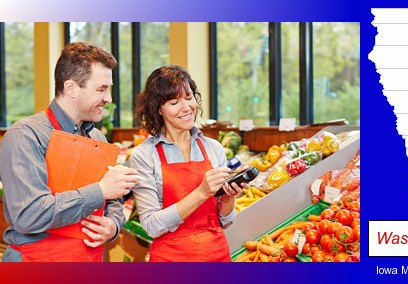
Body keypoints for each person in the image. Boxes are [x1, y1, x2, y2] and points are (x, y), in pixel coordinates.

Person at [0, 42, 139, 262]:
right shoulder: (24, 135)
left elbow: (114, 199)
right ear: (71, 88)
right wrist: (99, 190)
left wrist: (113, 225)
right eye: (101, 89)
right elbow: (29, 215)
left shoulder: (98, 138)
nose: (109, 98)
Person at [131, 65, 246, 262]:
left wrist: (228, 198)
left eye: (189, 97)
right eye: (174, 102)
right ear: (158, 108)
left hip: (216, 255)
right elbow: (151, 226)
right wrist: (201, 192)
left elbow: (225, 221)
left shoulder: (213, 148)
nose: (186, 108)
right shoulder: (144, 155)